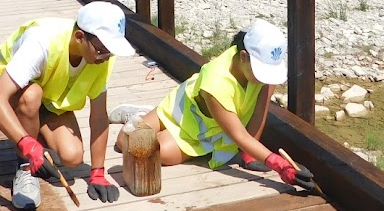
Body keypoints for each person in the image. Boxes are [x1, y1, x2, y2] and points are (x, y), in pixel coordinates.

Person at [0, 1, 135, 209]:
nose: (106, 57)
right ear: (80, 37)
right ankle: (25, 167)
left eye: (111, 51)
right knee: (31, 96)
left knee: (71, 156)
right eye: (103, 51)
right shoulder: (43, 41)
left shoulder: (100, 55)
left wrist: (97, 172)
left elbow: (99, 116)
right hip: (2, 84)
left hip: (46, 95)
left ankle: (35, 139)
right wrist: (27, 144)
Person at [135, 19, 316, 192]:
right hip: (183, 111)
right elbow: (239, 135)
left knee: (160, 150)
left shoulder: (261, 72)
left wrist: (249, 154)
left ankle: (172, 134)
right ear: (243, 56)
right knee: (131, 143)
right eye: (260, 71)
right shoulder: (215, 82)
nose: (264, 79)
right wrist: (279, 165)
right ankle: (141, 114)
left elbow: (261, 109)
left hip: (215, 129)